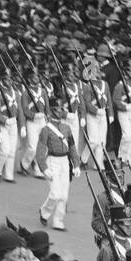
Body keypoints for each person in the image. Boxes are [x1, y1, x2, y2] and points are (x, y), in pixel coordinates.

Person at [35, 97, 80, 232]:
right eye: (58, 109)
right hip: (52, 161)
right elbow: (40, 151)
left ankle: (58, 221)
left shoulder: (67, 128)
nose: (60, 111)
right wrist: (44, 168)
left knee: (64, 195)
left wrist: (76, 164)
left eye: (61, 109)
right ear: (53, 111)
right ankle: (44, 212)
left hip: (64, 162)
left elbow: (72, 147)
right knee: (55, 193)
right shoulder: (46, 129)